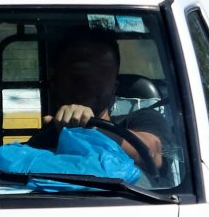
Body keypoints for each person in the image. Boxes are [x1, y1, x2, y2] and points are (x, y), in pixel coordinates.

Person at [25, 27, 168, 176]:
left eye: (102, 71)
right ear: (54, 81)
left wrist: (93, 128)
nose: (89, 80)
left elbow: (153, 152)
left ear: (115, 87)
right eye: (78, 69)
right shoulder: (44, 140)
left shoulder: (143, 119)